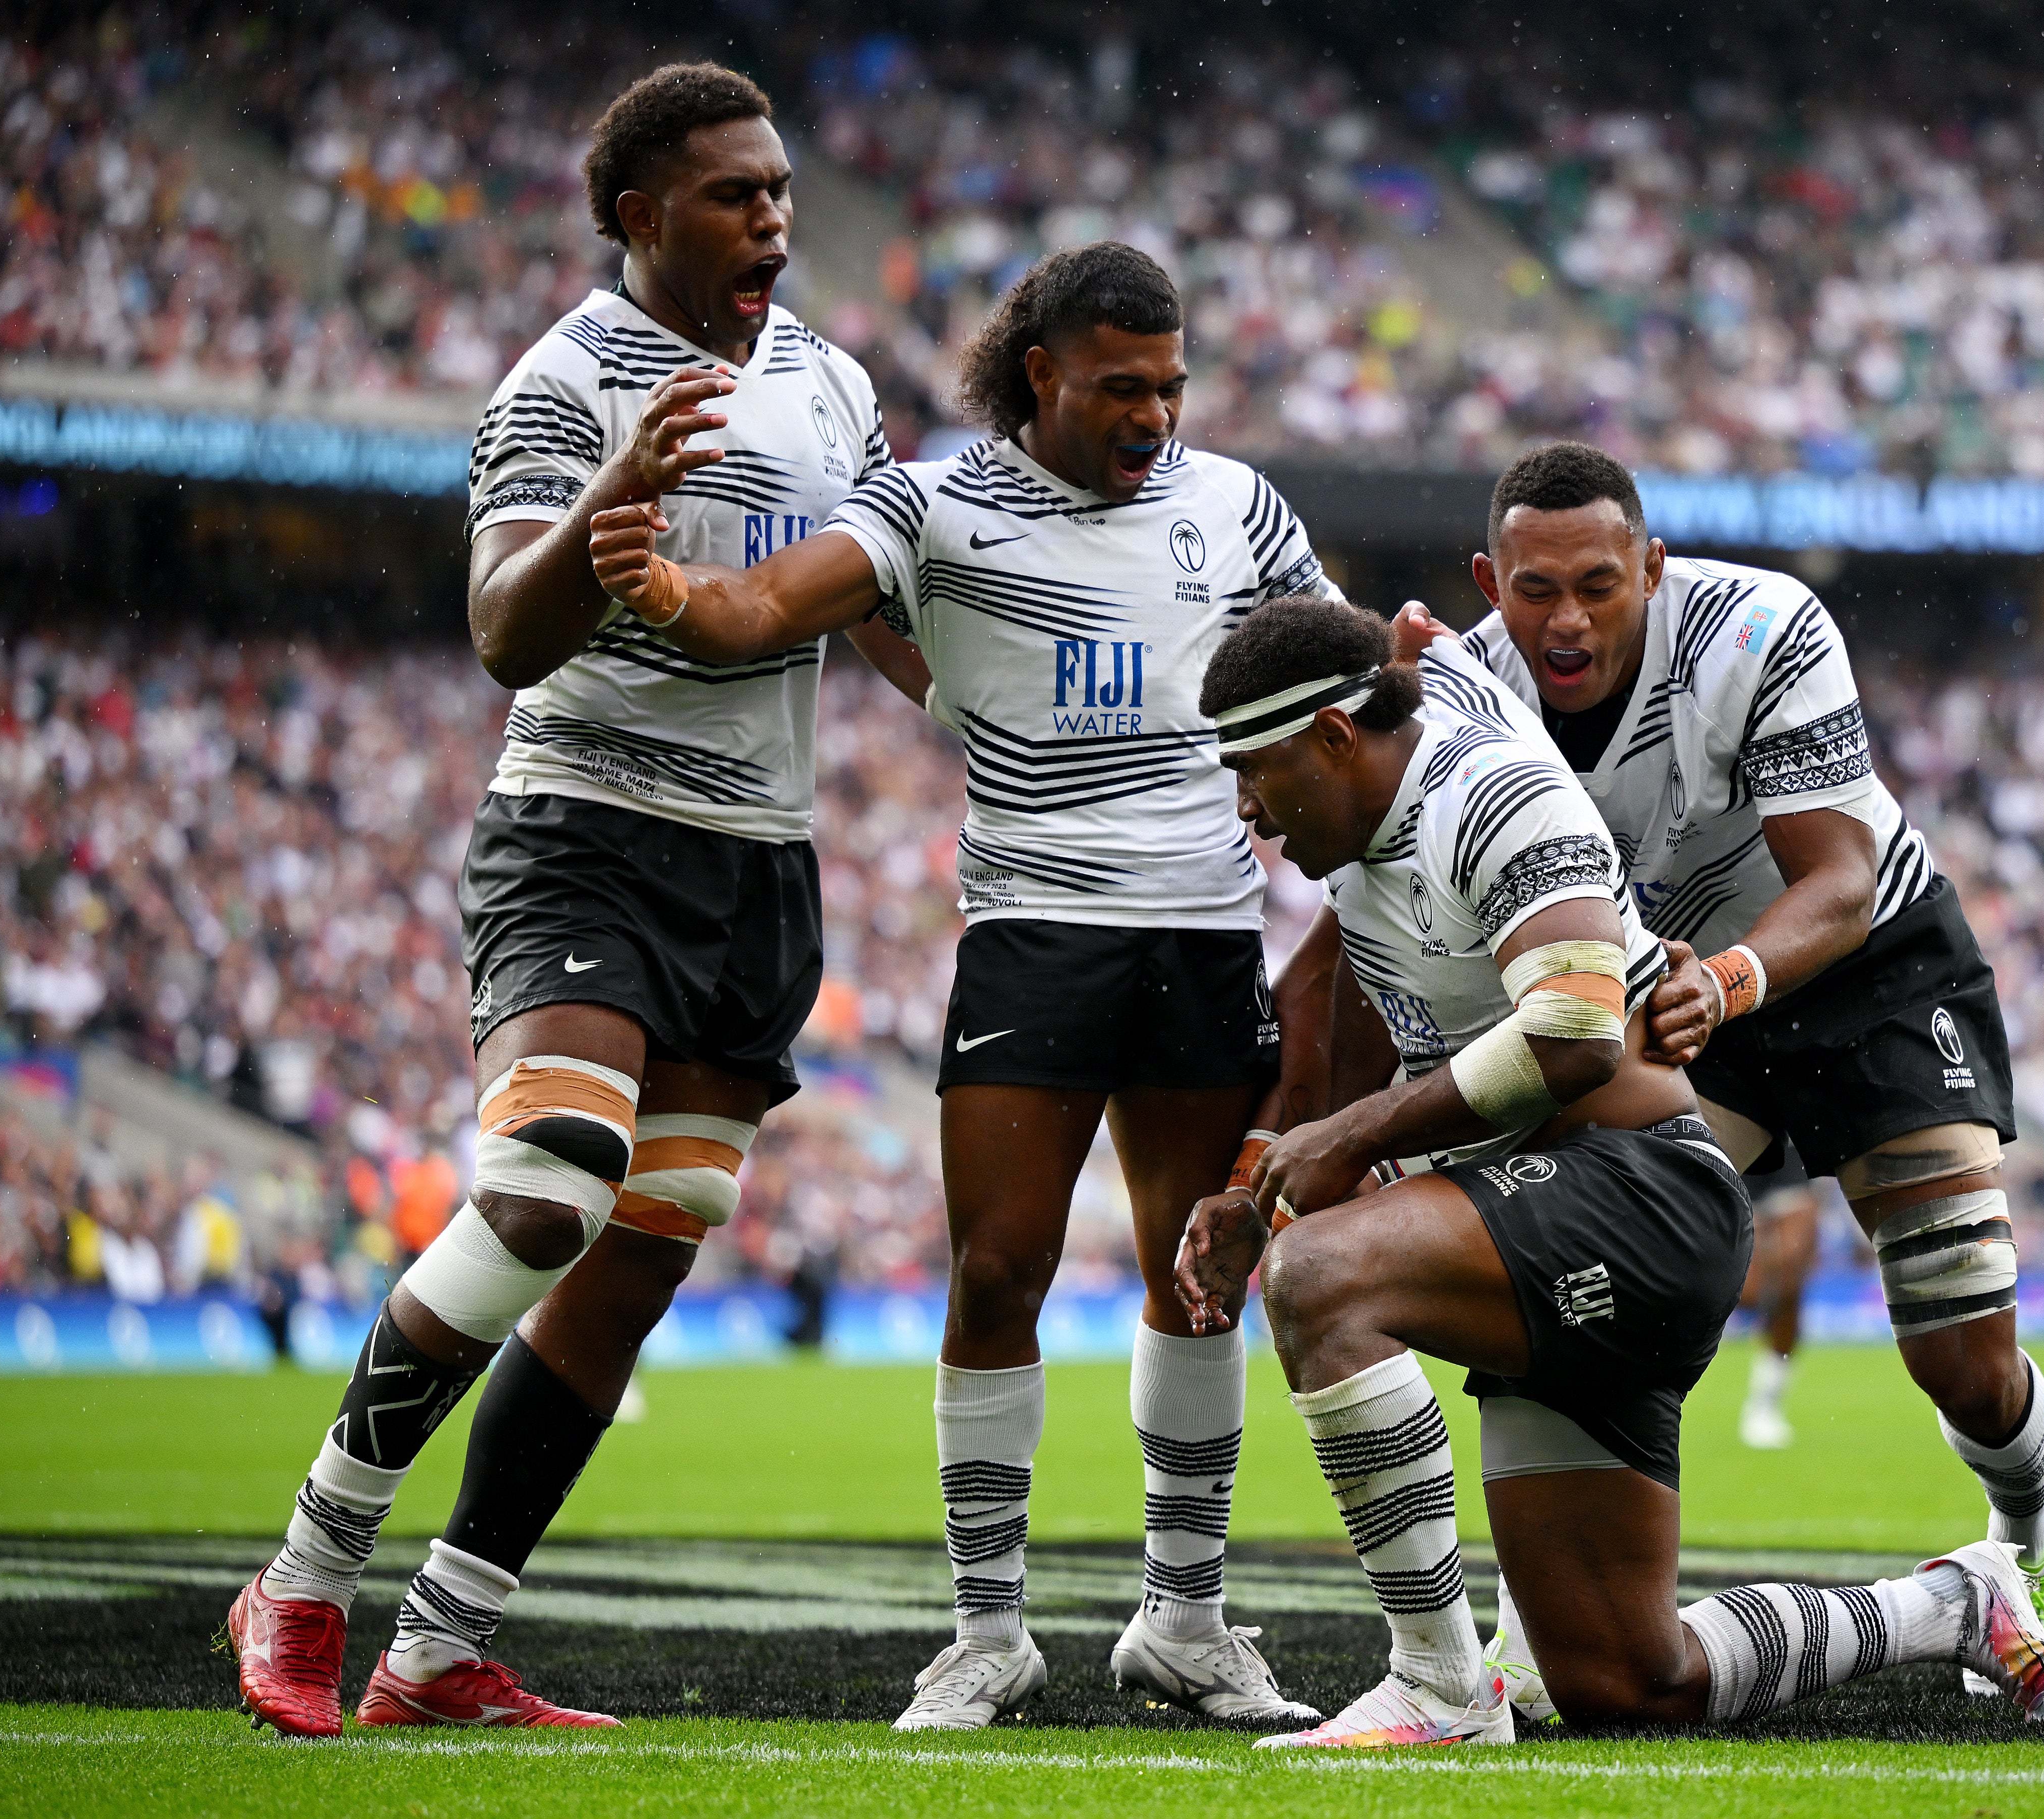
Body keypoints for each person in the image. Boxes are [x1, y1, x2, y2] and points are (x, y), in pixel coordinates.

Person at [222, 63, 908, 1736]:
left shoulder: (833, 383)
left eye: (778, 190)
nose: (772, 219)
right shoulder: (561, 383)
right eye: (734, 195)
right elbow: (503, 633)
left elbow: (889, 616)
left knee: (635, 1260)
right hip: (585, 829)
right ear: (638, 216)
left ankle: (446, 1642)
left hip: (759, 868)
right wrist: (611, 502)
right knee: (548, 1189)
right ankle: (304, 1578)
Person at [585, 241, 1332, 1730]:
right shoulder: (934, 504)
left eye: (1173, 386)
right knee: (998, 1270)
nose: (1156, 415)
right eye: (1124, 386)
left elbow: (1338, 659)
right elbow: (767, 608)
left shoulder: (1238, 504)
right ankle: (986, 1633)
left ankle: (1185, 1618)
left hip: (1203, 929)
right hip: (1036, 934)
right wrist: (658, 584)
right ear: (1042, 373)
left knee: (1204, 1268)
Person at [1177, 595, 2044, 1745]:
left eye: (1253, 772)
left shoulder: (1491, 793)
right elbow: (1330, 1005)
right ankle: (1953, 1603)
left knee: (1323, 1280)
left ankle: (1439, 1687)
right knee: (1623, 1678)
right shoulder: (1357, 815)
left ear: (1332, 739)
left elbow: (1572, 1031)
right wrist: (1256, 1185)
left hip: (1635, 1194)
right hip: (1549, 1214)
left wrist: (1351, 1144)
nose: (1247, 810)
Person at [1437, 441, 2044, 1709]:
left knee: (1962, 1354)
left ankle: (2028, 1536)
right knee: (1575, 1270)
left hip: (1864, 964)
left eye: (1599, 585)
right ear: (1487, 581)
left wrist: (1721, 981)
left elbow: (1832, 880)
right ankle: (1521, 1630)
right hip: (1666, 995)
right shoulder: (1463, 687)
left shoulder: (1757, 626)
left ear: (1653, 569)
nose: (1565, 620)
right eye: (1534, 590)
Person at [1736, 1149, 1828, 1449]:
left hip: (1787, 1150)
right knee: (1749, 1294)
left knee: (1790, 1279)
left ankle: (1765, 1403)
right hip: (1730, 1145)